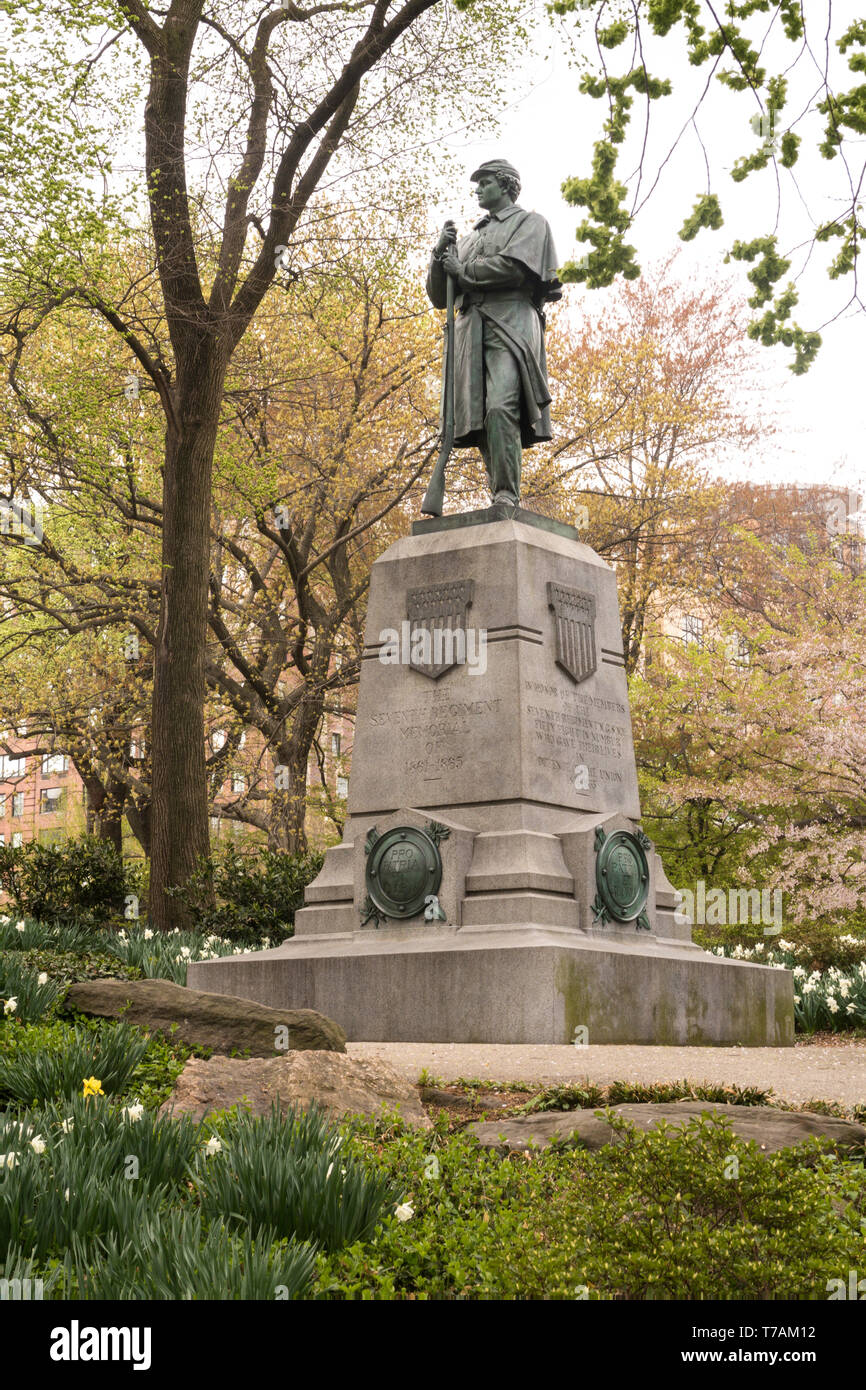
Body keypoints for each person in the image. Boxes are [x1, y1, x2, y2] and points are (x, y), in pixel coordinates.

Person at [426, 159, 561, 507]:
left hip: (510, 324)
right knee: (477, 420)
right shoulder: (469, 239)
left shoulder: (530, 223)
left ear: (506, 185)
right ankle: (499, 490)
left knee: (501, 406)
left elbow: (515, 269)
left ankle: (506, 493)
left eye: (485, 182)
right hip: (470, 331)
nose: (478, 189)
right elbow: (441, 297)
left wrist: (463, 269)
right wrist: (439, 253)